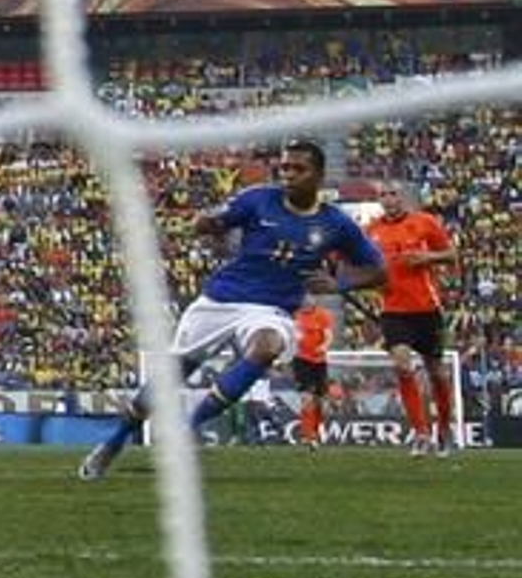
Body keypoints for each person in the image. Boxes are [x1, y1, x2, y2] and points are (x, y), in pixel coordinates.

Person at [79, 139, 385, 480]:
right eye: (284, 168)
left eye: (299, 169)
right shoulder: (257, 199)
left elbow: (378, 270)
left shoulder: (336, 224)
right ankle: (114, 442)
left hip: (271, 310)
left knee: (268, 346)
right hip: (220, 300)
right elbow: (216, 222)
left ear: (319, 175)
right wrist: (205, 224)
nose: (289, 175)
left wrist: (340, 285)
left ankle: (186, 430)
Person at [365, 180, 459, 457]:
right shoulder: (371, 231)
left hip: (426, 309)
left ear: (402, 197)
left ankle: (444, 429)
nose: (388, 199)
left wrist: (427, 257)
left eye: (393, 194)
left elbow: (451, 255)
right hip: (393, 311)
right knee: (402, 366)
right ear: (379, 199)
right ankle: (420, 433)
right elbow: (362, 266)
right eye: (383, 195)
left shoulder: (424, 222)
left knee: (437, 372)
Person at [291, 294, 334, 450]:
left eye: (310, 298)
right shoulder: (295, 315)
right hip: (301, 360)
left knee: (319, 401)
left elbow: (329, 336)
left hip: (319, 361)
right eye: (305, 298)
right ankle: (308, 436)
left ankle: (314, 432)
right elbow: (291, 334)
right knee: (306, 398)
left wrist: (324, 346)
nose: (307, 301)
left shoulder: (323, 315)